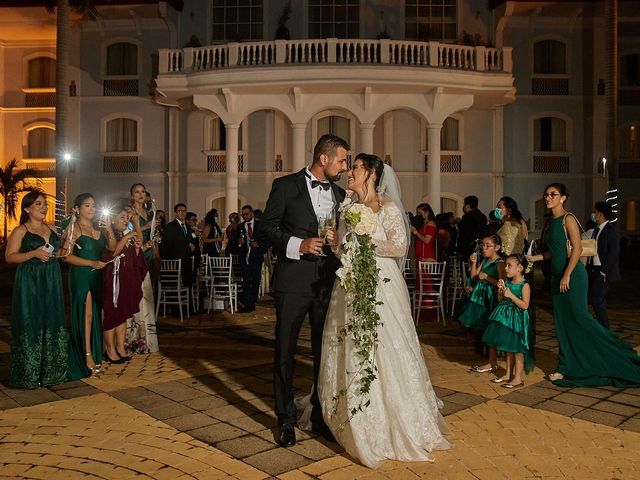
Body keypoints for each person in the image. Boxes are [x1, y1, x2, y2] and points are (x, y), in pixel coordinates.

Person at [318, 154, 450, 468]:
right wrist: (337, 242)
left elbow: (399, 247)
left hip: (382, 285)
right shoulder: (348, 206)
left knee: (386, 345)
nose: (350, 172)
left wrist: (365, 240)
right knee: (350, 344)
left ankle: (395, 420)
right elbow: (341, 251)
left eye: (356, 167)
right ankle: (353, 416)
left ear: (373, 173)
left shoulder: (387, 207)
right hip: (351, 283)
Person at [257, 134, 349, 448]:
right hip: (293, 281)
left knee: (324, 353)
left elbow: (340, 238)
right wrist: (299, 244)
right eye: (341, 160)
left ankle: (320, 415)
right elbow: (265, 227)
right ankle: (284, 420)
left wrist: (337, 242)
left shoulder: (339, 193)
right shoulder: (285, 186)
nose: (344, 167)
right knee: (285, 351)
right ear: (324, 158)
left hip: (327, 282)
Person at [527, 183, 640, 387]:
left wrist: (567, 275)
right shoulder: (551, 222)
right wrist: (533, 258)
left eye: (553, 194)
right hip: (557, 278)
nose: (548, 197)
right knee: (563, 323)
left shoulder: (568, 218)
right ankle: (565, 366)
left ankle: (615, 351)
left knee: (580, 319)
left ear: (563, 198)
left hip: (573, 277)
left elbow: (577, 249)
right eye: (546, 194)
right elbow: (555, 252)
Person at [5, 191, 70, 388]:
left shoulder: (51, 229)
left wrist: (67, 243)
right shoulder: (20, 231)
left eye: (45, 204)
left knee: (51, 318)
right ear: (27, 208)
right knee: (30, 321)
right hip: (30, 280)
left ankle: (52, 372)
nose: (43, 207)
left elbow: (57, 253)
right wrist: (32, 253)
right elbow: (10, 257)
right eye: (38, 204)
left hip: (51, 278)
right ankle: (29, 374)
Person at [63, 193, 113, 379]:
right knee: (87, 315)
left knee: (95, 315)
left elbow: (112, 248)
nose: (92, 209)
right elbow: (65, 256)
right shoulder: (73, 229)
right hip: (82, 275)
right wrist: (91, 263)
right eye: (87, 206)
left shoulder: (98, 230)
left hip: (97, 276)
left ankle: (94, 350)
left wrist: (109, 231)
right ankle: (86, 355)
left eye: (94, 206)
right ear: (77, 208)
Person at [482, 253, 534, 389]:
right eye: (506, 265)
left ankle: (517, 378)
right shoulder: (509, 283)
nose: (506, 268)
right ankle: (508, 374)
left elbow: (525, 305)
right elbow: (501, 300)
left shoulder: (524, 285)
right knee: (509, 348)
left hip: (518, 321)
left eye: (509, 266)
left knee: (518, 349)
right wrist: (501, 291)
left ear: (520, 268)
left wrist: (511, 295)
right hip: (507, 319)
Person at [101, 204, 144, 364]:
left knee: (122, 314)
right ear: (113, 219)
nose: (126, 220)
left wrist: (139, 248)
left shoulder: (125, 234)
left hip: (126, 279)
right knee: (112, 314)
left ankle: (120, 347)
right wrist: (126, 238)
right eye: (122, 217)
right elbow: (113, 252)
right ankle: (110, 349)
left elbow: (134, 252)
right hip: (113, 280)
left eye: (127, 218)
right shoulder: (107, 233)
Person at [458, 233, 505, 374]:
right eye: (483, 245)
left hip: (491, 300)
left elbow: (502, 283)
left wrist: (488, 278)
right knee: (484, 328)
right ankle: (490, 360)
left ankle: (492, 362)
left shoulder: (500, 263)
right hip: (481, 299)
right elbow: (474, 276)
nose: (484, 248)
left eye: (488, 246)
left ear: (497, 247)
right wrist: (473, 263)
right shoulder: (485, 261)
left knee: (491, 329)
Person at [587, 201, 620, 329]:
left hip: (603, 271)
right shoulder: (596, 229)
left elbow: (614, 253)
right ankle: (601, 328)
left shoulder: (610, 231)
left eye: (594, 212)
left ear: (600, 214)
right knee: (594, 300)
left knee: (597, 300)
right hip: (593, 270)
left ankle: (605, 330)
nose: (593, 215)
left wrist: (603, 271)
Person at [238, 205, 267, 313]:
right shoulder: (240, 226)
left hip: (256, 257)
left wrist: (258, 244)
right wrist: (239, 243)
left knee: (255, 280)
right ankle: (247, 305)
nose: (245, 216)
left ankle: (253, 301)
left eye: (247, 214)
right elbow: (238, 243)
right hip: (244, 258)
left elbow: (267, 240)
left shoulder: (260, 225)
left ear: (252, 213)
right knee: (246, 281)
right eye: (243, 214)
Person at [159, 203, 194, 287]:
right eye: (180, 211)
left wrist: (192, 246)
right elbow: (167, 245)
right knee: (174, 286)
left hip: (187, 260)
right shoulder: (170, 227)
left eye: (184, 211)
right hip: (175, 260)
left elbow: (188, 241)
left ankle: (188, 299)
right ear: (175, 213)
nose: (182, 213)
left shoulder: (188, 227)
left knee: (188, 285)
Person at [457, 195, 487, 260]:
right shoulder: (483, 216)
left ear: (467, 206)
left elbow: (464, 234)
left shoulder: (467, 217)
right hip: (480, 247)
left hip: (468, 248)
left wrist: (460, 250)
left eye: (464, 204)